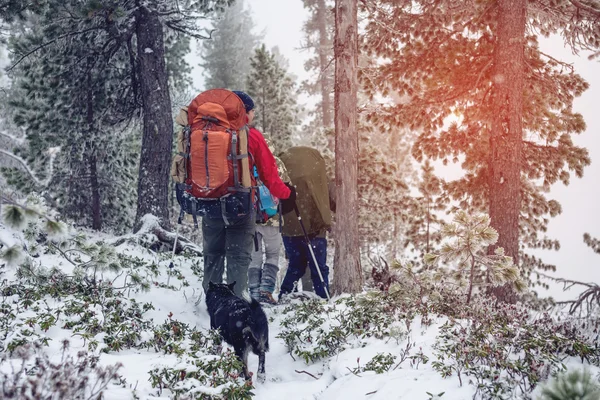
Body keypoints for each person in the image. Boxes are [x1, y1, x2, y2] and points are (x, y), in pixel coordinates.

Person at [201, 90, 296, 297]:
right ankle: (235, 301)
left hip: (209, 203)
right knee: (238, 255)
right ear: (246, 112)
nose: (253, 115)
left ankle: (212, 299)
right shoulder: (251, 135)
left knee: (213, 254)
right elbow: (270, 176)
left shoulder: (206, 133)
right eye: (251, 111)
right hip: (240, 205)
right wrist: (287, 194)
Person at [278, 146, 333, 300]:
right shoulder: (317, 181)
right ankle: (323, 298)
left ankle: (284, 295)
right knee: (318, 267)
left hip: (290, 229)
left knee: (296, 266)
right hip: (314, 229)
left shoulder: (284, 177)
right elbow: (329, 202)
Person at [249, 154, 288, 305]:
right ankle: (266, 291)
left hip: (252, 218)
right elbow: (285, 186)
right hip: (273, 219)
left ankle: (253, 292)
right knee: (272, 254)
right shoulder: (276, 161)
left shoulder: (244, 161)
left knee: (254, 256)